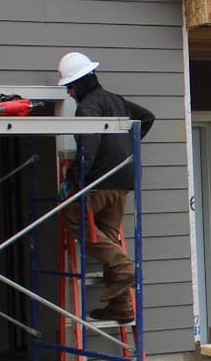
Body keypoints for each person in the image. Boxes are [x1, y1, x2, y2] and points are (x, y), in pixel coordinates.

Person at [57, 51, 157, 324]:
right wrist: (125, 149)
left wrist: (74, 181)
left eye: (69, 87)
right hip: (123, 183)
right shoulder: (115, 100)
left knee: (74, 218)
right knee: (110, 238)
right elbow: (146, 118)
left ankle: (124, 267)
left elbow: (88, 146)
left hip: (99, 183)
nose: (69, 94)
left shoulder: (88, 106)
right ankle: (122, 307)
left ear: (78, 85)